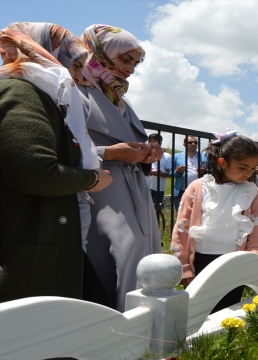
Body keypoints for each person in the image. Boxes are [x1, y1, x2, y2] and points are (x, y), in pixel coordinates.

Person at [0, 23, 112, 303]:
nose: (77, 76)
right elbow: (35, 172)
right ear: (43, 54)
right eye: (74, 66)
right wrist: (92, 179)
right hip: (29, 247)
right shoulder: (24, 92)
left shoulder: (42, 96)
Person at [78, 24, 163, 311]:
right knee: (120, 256)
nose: (131, 69)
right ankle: (119, 330)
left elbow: (127, 144)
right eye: (125, 59)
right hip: (102, 193)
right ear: (100, 52)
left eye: (135, 63)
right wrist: (111, 152)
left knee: (142, 255)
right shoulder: (75, 91)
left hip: (133, 192)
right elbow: (63, 147)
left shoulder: (118, 97)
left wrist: (146, 154)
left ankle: (144, 330)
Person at [171, 131, 258, 313]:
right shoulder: (198, 188)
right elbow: (181, 228)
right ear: (222, 163)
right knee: (198, 308)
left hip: (234, 260)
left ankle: (226, 339)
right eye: (242, 167)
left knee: (228, 307)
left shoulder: (251, 191)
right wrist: (184, 265)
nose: (248, 173)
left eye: (253, 168)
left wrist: (256, 249)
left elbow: (257, 223)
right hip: (200, 258)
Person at [172, 136, 207, 211]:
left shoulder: (204, 156)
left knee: (198, 215)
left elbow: (211, 171)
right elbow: (170, 173)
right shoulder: (176, 157)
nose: (193, 144)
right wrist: (178, 172)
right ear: (184, 144)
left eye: (195, 142)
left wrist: (205, 171)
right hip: (182, 190)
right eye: (190, 142)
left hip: (199, 190)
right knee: (181, 215)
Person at [146, 133, 172, 206]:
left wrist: (159, 173)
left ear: (160, 143)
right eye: (152, 142)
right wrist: (149, 172)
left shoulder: (167, 156)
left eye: (157, 143)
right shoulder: (143, 154)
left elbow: (169, 174)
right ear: (148, 142)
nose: (155, 145)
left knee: (156, 211)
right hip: (144, 186)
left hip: (158, 188)